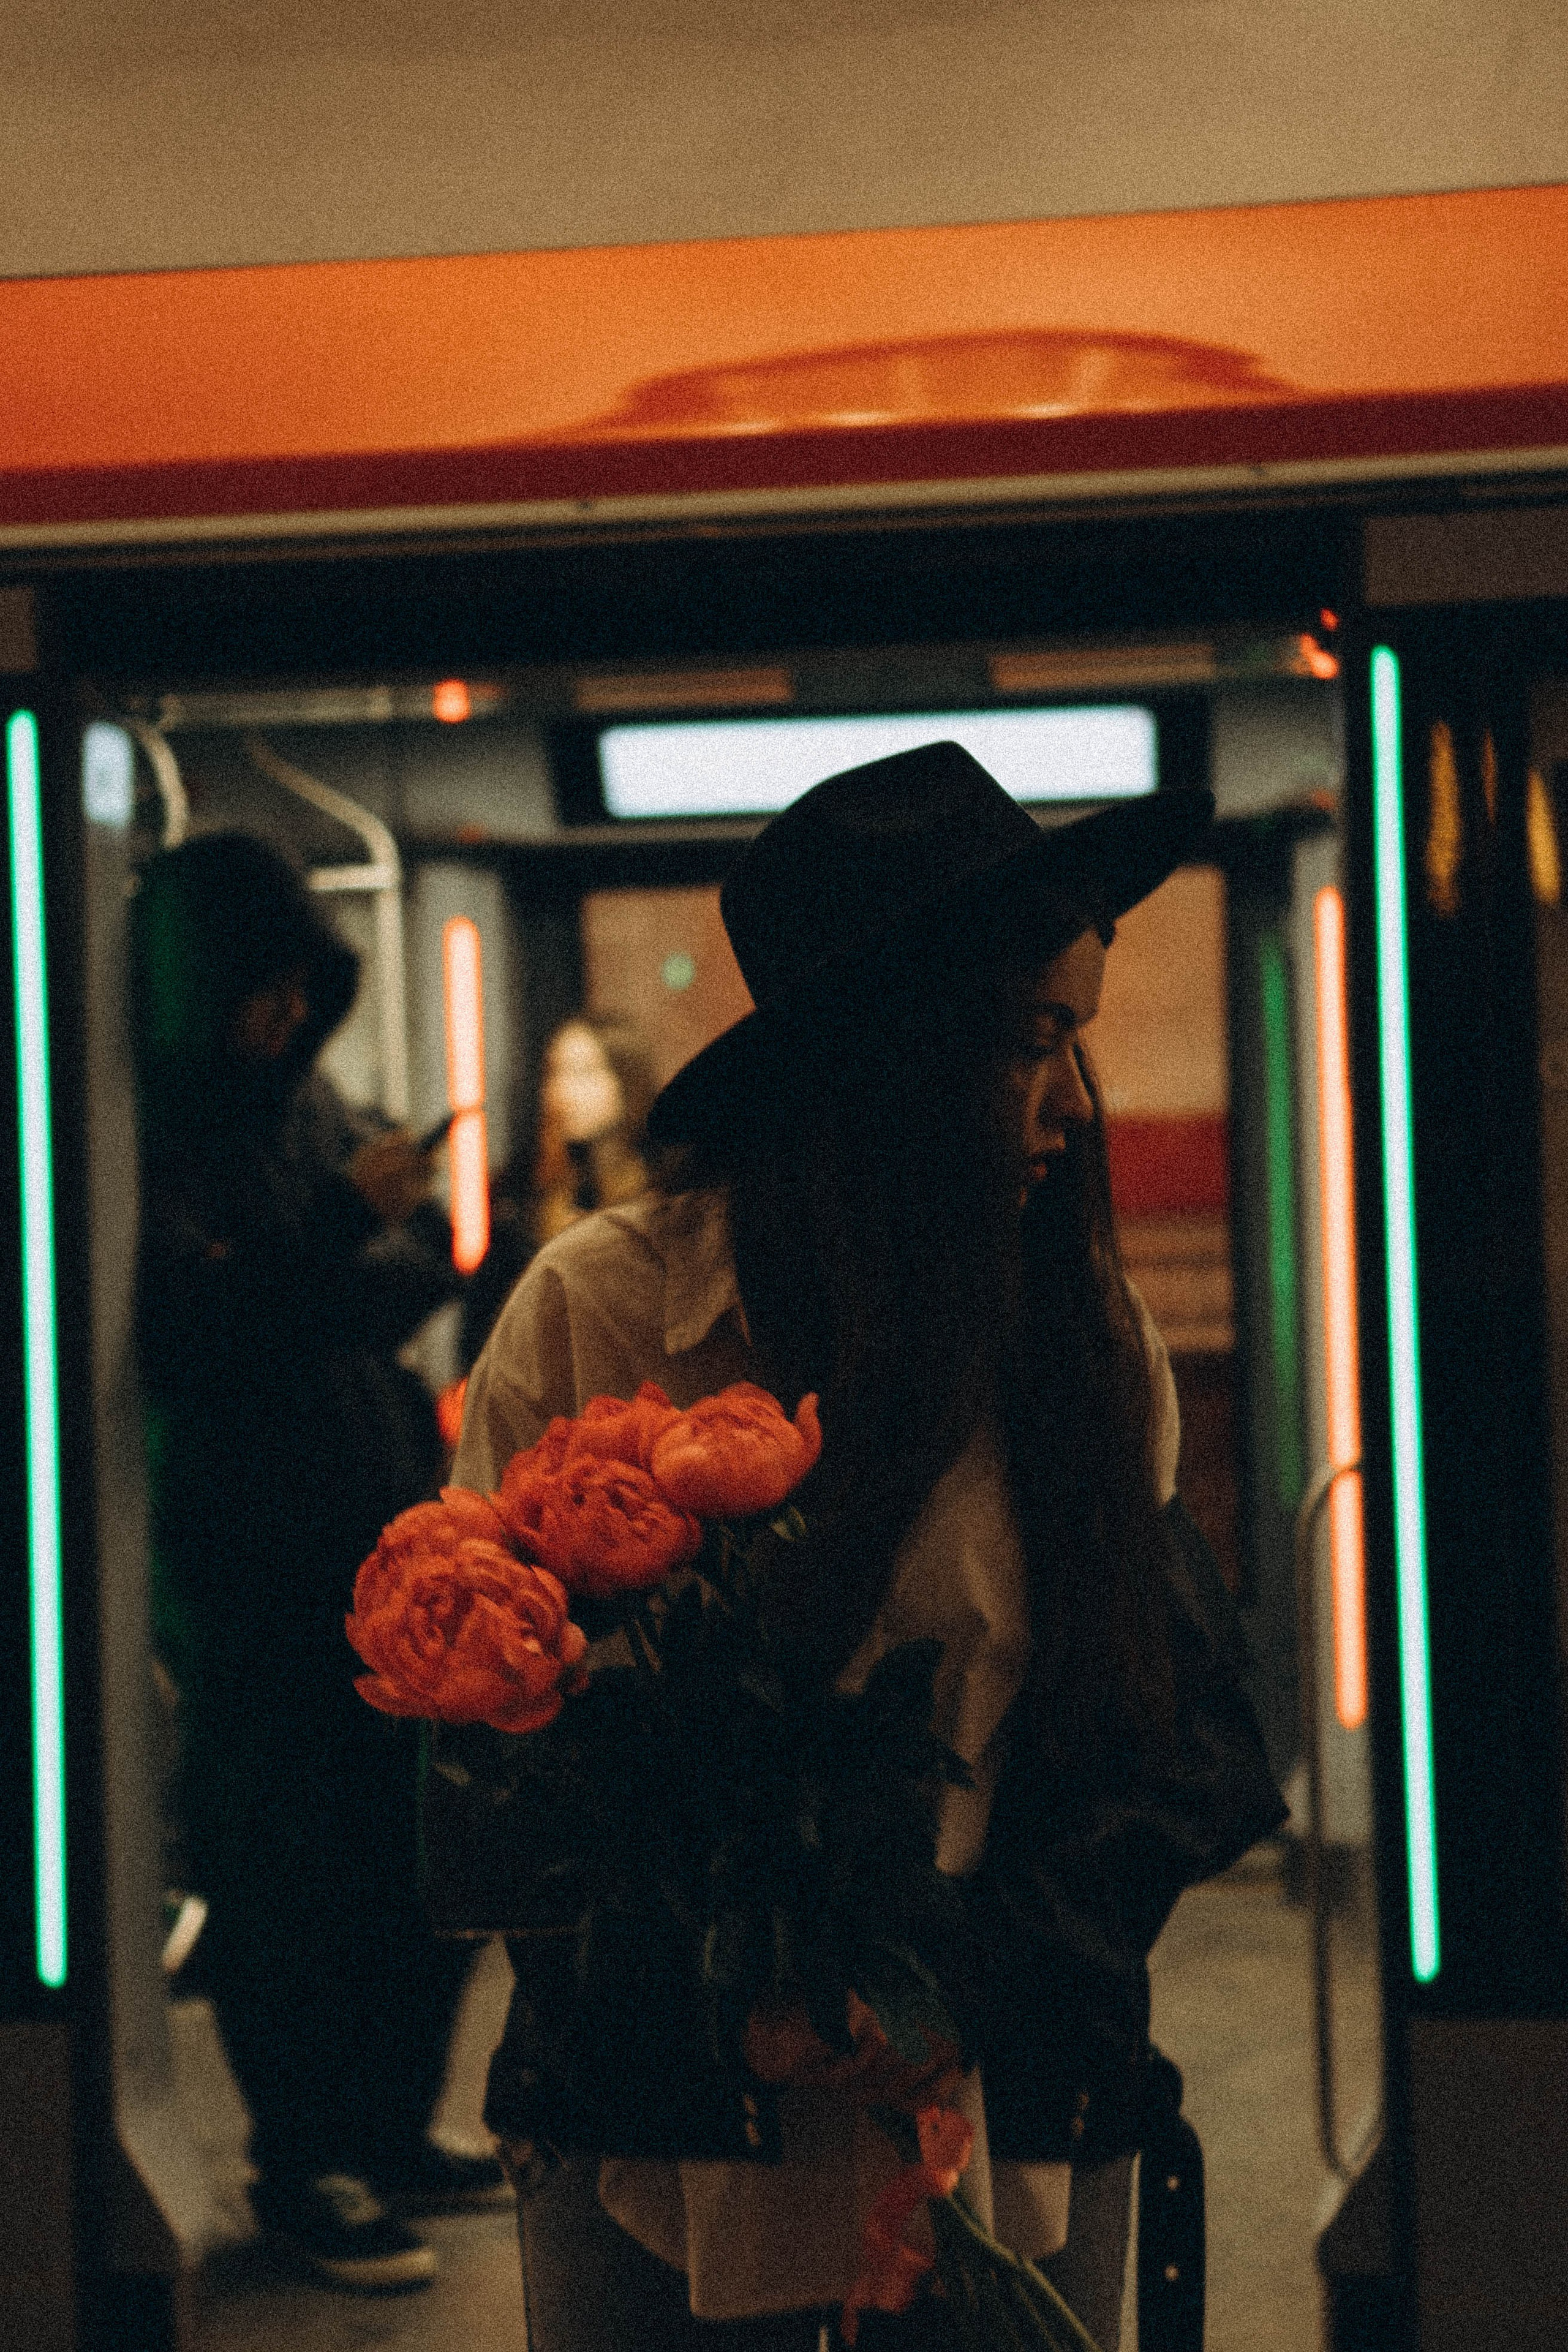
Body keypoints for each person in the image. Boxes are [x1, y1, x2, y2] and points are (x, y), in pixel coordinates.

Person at [452, 745, 1285, 2350]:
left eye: (1081, 1041)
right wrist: (723, 1988)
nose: (1072, 1104)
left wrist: (945, 1975)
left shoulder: (1083, 1340)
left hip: (1014, 2123)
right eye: (1029, 1041)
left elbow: (1177, 1745)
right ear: (887, 1059)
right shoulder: (606, 1313)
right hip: (666, 2144)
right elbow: (496, 1777)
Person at [129, 831, 510, 2293]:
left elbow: (378, 1279)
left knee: (418, 1858)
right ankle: (306, 2160)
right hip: (255, 1565)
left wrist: (375, 1249)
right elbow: (199, 1331)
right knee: (287, 1880)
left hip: (383, 1544)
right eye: (262, 990)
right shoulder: (153, 1132)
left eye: (304, 989)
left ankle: (391, 2127)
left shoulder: (301, 1113)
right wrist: (349, 1230)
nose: (287, 1017)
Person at [460, 1011, 656, 1369]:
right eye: (555, 1073)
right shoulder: (520, 1192)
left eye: (586, 1073)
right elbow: (483, 1322)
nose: (564, 1091)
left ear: (627, 1081)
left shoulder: (662, 1186)